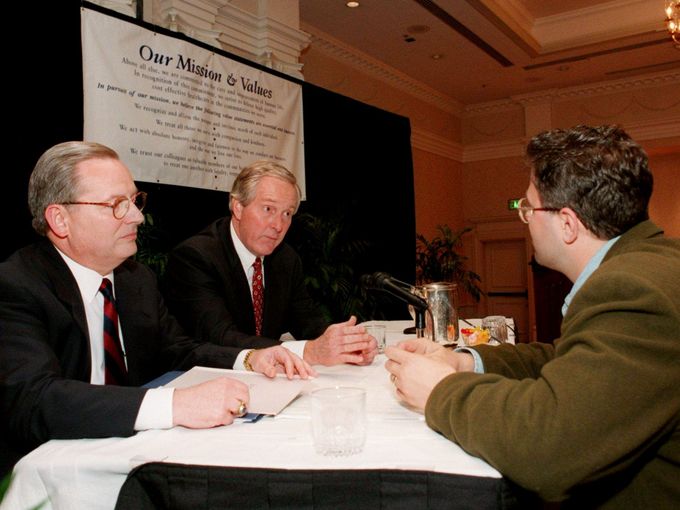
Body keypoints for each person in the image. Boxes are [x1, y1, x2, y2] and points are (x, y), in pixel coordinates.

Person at [385, 125, 680, 508]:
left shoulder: (633, 290)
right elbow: (568, 360)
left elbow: (551, 447)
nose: (523, 218)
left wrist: (440, 392)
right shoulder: (647, 266)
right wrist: (462, 361)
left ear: (568, 224)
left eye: (528, 208)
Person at [0, 142, 314, 474]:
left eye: (135, 201)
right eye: (117, 205)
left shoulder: (136, 281)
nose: (137, 216)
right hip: (44, 475)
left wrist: (250, 357)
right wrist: (176, 405)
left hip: (133, 458)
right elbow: (35, 399)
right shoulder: (16, 286)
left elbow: (177, 351)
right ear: (60, 220)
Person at [164, 160, 377, 366]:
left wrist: (346, 343)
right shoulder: (196, 257)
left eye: (287, 213)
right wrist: (310, 351)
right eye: (268, 209)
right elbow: (220, 336)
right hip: (203, 378)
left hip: (266, 379)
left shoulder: (285, 258)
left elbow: (307, 320)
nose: (278, 225)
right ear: (238, 207)